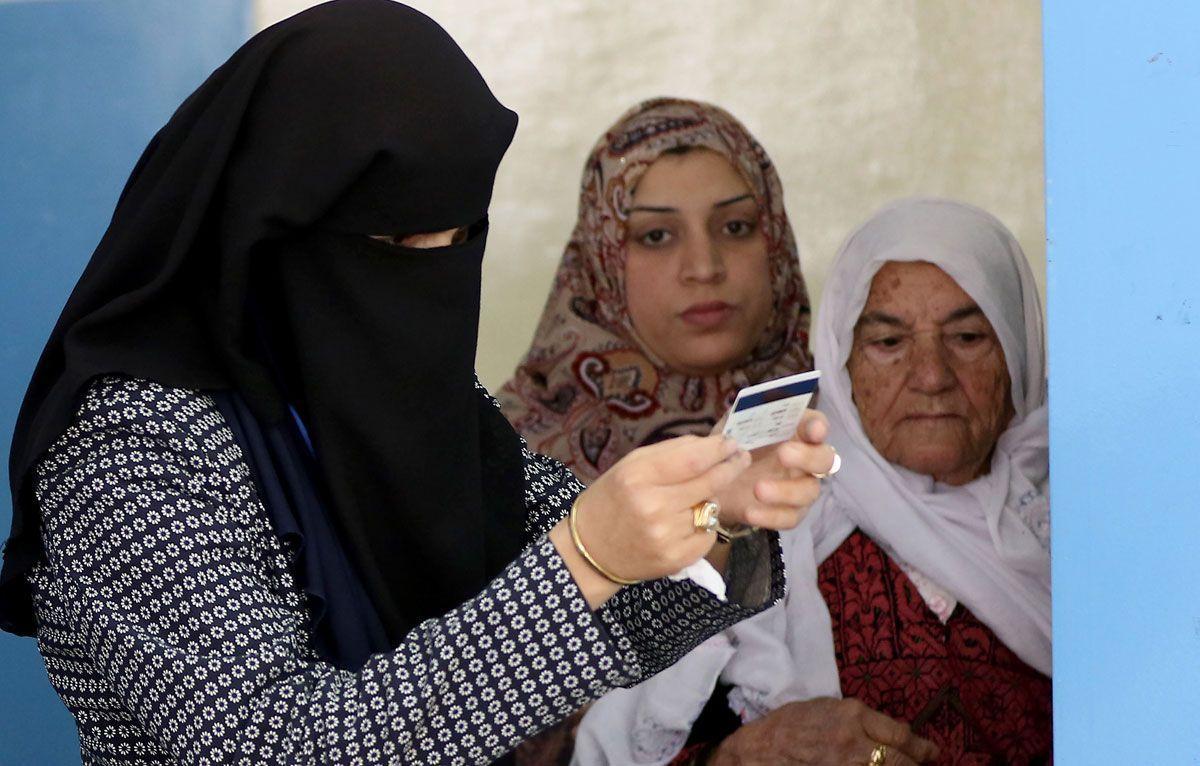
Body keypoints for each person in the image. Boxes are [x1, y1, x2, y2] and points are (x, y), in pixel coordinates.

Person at [0, 4, 837, 765]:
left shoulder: (408, 399)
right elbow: (270, 746)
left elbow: (607, 629)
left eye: (460, 237)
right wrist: (585, 557)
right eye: (398, 243)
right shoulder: (131, 450)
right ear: (275, 228)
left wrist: (720, 518)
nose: (432, 282)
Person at [575, 198, 1052, 765]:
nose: (931, 376)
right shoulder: (757, 523)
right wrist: (743, 755)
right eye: (889, 343)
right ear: (842, 362)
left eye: (969, 337)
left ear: (1018, 353)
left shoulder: (1081, 519)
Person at [497, 98, 813, 764]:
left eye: (735, 225)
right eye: (656, 236)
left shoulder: (857, 424)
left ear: (775, 241)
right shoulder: (504, 460)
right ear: (603, 258)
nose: (705, 266)